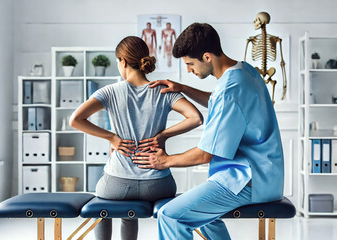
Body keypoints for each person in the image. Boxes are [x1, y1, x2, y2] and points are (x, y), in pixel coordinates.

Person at [132, 23, 284, 240]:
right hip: (266, 175)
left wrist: (164, 161)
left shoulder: (230, 90)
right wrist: (183, 88)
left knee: (171, 216)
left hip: (249, 180)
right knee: (206, 218)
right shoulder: (244, 71)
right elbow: (218, 101)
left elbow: (206, 154)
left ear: (206, 57)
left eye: (190, 64)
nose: (189, 70)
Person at [69, 36, 203, 240]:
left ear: (122, 61)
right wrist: (163, 135)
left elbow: (75, 120)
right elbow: (196, 118)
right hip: (158, 185)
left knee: (102, 207)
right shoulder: (163, 90)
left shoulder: (110, 91)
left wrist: (112, 138)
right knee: (127, 211)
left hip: (117, 184)